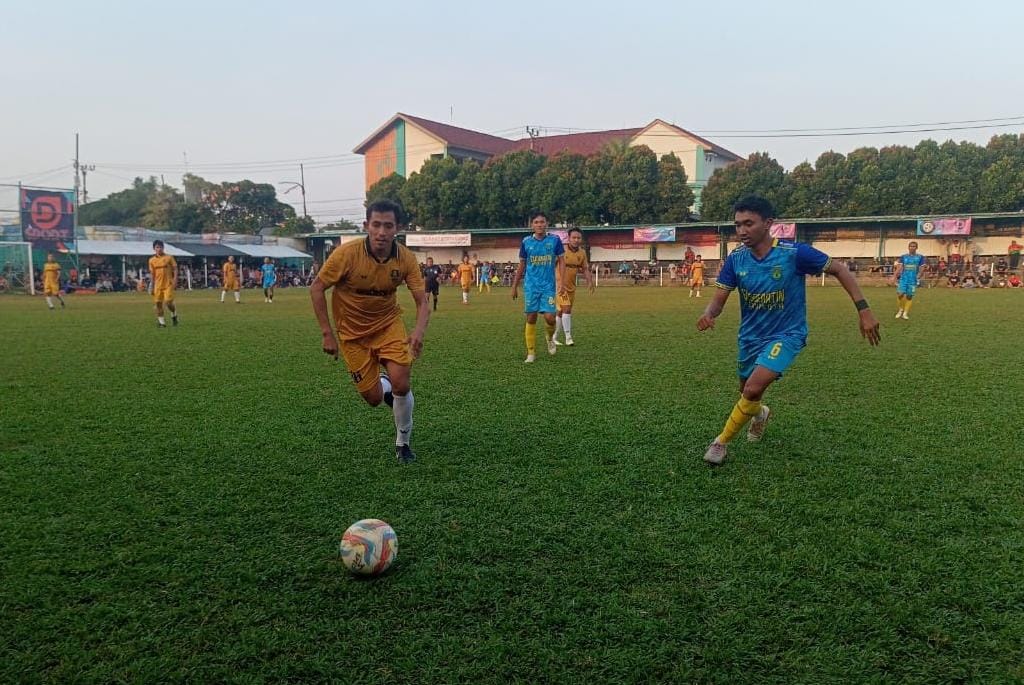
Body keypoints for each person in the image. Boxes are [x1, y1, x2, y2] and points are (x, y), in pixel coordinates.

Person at [697, 196, 880, 466]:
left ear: (768, 223)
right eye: (737, 225)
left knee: (752, 388)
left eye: (749, 224)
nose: (742, 231)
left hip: (788, 335)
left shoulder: (794, 253)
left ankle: (720, 443)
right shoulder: (735, 260)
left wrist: (864, 310)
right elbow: (719, 300)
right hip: (750, 338)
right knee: (748, 394)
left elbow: (839, 269)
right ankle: (760, 415)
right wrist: (708, 314)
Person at [310, 199, 431, 464]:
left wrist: (418, 332)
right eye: (376, 225)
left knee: (403, 382)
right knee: (374, 398)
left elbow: (422, 301)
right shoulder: (346, 254)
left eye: (388, 226)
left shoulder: (405, 258)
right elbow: (317, 288)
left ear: (397, 228)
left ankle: (403, 443)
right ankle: (383, 384)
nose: (381, 232)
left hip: (389, 325)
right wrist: (326, 332)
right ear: (366, 225)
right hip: (352, 335)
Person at [512, 210, 565, 363]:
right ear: (532, 225)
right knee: (531, 317)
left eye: (542, 222)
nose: (539, 225)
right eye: (536, 222)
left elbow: (562, 261)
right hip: (531, 286)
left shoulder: (554, 240)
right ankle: (531, 353)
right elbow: (522, 265)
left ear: (546, 224)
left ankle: (549, 338)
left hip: (548, 286)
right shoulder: (526, 242)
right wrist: (515, 285)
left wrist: (561, 281)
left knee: (550, 317)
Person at [554, 227, 595, 346]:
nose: (576, 240)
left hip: (571, 286)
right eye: (574, 237)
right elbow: (552, 264)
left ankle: (554, 336)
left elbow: (585, 269)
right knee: (566, 309)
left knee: (561, 312)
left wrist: (590, 282)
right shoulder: (561, 250)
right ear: (569, 238)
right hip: (559, 285)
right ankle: (568, 337)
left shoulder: (582, 253)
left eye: (578, 238)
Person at [148, 240, 179, 328]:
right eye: (157, 247)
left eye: (160, 247)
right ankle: (162, 323)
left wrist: (175, 279)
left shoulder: (169, 257)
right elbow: (152, 274)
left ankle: (174, 314)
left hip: (168, 284)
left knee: (168, 302)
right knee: (158, 304)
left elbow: (175, 268)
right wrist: (152, 286)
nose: (159, 249)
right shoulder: (151, 260)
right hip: (157, 285)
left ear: (163, 248)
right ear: (154, 249)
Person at [893, 241, 926, 320]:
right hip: (904, 278)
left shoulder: (920, 257)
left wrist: (918, 277)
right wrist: (894, 276)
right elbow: (899, 267)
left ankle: (905, 313)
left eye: (914, 246)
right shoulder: (903, 256)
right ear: (908, 247)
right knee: (900, 294)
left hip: (912, 280)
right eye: (911, 246)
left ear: (916, 248)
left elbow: (922, 268)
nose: (912, 247)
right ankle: (900, 309)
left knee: (909, 296)